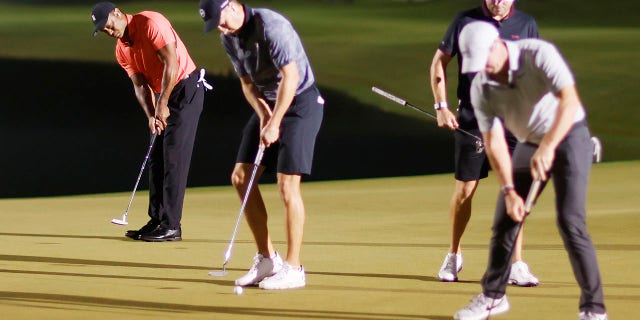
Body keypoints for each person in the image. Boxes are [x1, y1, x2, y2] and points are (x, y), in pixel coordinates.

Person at [452, 21, 608, 320]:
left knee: (570, 221)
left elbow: (569, 99)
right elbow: (493, 140)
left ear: (498, 44)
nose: (483, 68)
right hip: (529, 140)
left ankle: (594, 309)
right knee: (506, 220)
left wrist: (548, 147)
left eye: (486, 58)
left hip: (569, 133)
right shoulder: (480, 85)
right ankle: (493, 296)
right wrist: (509, 190)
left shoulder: (538, 54)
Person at [199, 0, 324, 290]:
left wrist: (276, 121)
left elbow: (291, 78)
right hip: (269, 103)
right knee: (240, 177)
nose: (220, 26)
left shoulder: (271, 26)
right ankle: (268, 258)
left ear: (232, 5)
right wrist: (264, 115)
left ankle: (294, 268)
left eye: (221, 19)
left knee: (286, 184)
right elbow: (247, 84)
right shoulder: (228, 37)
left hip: (301, 101)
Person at [429, 0, 540, 285]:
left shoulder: (526, 24)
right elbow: (439, 60)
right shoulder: (464, 20)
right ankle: (454, 255)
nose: (497, 2)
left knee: (515, 189)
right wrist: (441, 105)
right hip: (474, 115)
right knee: (465, 189)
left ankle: (516, 263)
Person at [91, 2, 210, 241]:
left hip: (185, 89)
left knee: (173, 158)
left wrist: (163, 103)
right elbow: (139, 85)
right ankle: (157, 219)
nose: (107, 30)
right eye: (102, 29)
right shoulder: (121, 49)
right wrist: (151, 116)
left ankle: (172, 226)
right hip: (162, 96)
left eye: (108, 24)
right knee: (156, 157)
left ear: (117, 13)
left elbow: (172, 63)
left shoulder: (150, 23)